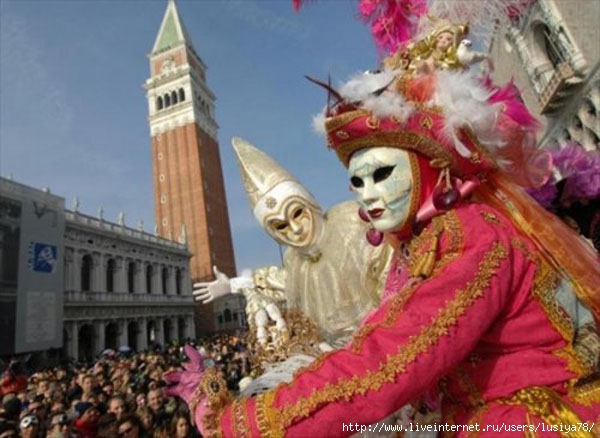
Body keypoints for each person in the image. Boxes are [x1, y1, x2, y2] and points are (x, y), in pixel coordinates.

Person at [165, 19, 600, 435]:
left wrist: (236, 423)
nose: (368, 194)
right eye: (357, 181)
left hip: (532, 414)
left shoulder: (472, 235)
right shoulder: (427, 238)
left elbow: (386, 366)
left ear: (428, 167)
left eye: (381, 174)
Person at [194, 138, 392, 347]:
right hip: (339, 357)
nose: (296, 229)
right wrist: (232, 284)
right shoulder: (295, 261)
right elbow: (277, 281)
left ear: (310, 203)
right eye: (281, 226)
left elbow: (394, 281)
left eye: (298, 213)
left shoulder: (352, 222)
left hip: (387, 342)